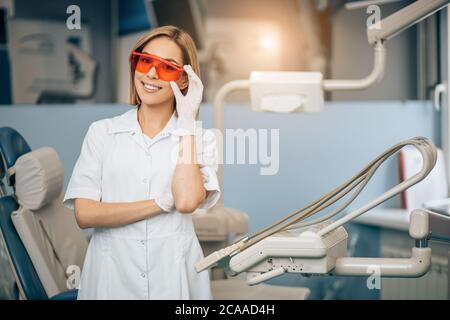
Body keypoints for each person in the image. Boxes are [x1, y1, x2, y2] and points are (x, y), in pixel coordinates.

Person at [63, 25, 220, 300]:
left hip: (174, 276)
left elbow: (184, 201)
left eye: (167, 67)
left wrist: (186, 122)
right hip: (111, 276)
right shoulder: (102, 133)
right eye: (145, 61)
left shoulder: (200, 140)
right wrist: (158, 203)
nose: (151, 73)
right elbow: (85, 214)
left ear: (184, 81)